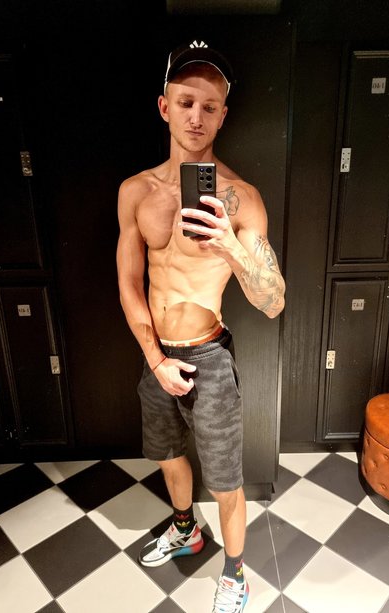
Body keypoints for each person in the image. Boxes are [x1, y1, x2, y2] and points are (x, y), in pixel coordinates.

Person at [116, 39, 285, 613]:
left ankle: (235, 575)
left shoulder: (242, 199)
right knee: (167, 454)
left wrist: (230, 246)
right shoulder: (135, 192)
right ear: (164, 106)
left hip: (209, 356)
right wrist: (156, 361)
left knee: (226, 478)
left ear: (222, 115)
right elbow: (129, 284)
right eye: (185, 102)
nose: (196, 116)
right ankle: (186, 529)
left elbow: (273, 302)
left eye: (209, 106)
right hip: (155, 354)